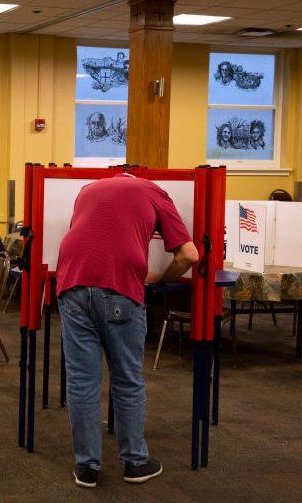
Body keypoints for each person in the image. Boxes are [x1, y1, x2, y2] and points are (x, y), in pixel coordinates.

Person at [57, 173, 198, 489]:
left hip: (72, 281)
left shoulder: (87, 189)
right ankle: (135, 462)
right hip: (120, 285)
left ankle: (86, 468)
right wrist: (160, 277)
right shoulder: (154, 191)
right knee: (127, 379)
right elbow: (189, 255)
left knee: (81, 380)